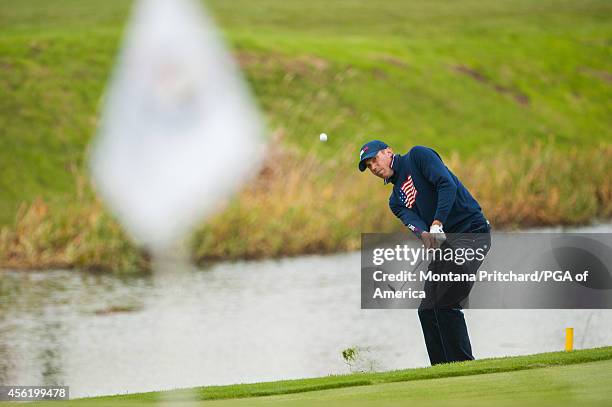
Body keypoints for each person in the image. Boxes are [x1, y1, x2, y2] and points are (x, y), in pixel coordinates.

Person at [358, 140, 492, 365]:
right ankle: (441, 371)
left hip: (472, 234)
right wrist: (427, 236)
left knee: (446, 303)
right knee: (427, 310)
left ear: (388, 152)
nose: (373, 167)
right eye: (369, 165)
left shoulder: (417, 157)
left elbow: (446, 184)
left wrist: (438, 222)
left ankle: (463, 367)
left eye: (374, 159)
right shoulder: (395, 201)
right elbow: (417, 225)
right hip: (447, 245)